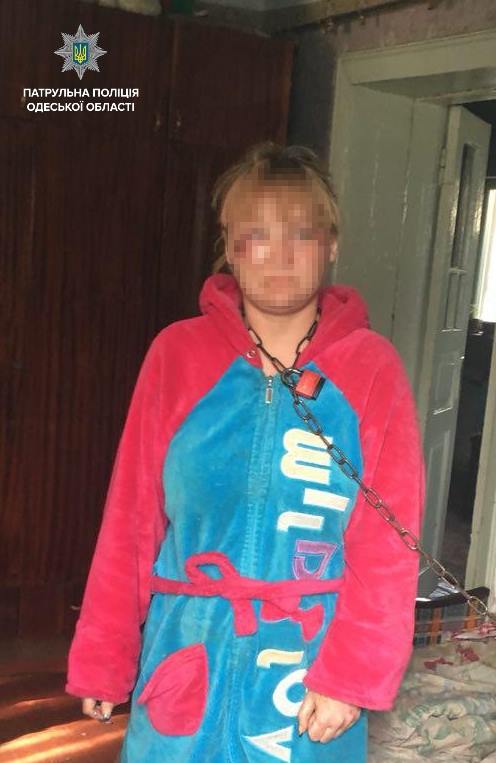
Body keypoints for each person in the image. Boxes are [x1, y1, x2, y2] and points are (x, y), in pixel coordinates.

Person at [65, 141, 425, 762]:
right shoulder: (177, 355)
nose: (279, 255)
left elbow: (389, 544)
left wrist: (351, 676)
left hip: (308, 673)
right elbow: (131, 519)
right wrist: (104, 654)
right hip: (187, 654)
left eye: (301, 234)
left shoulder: (372, 369)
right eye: (257, 234)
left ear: (331, 246)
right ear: (231, 249)